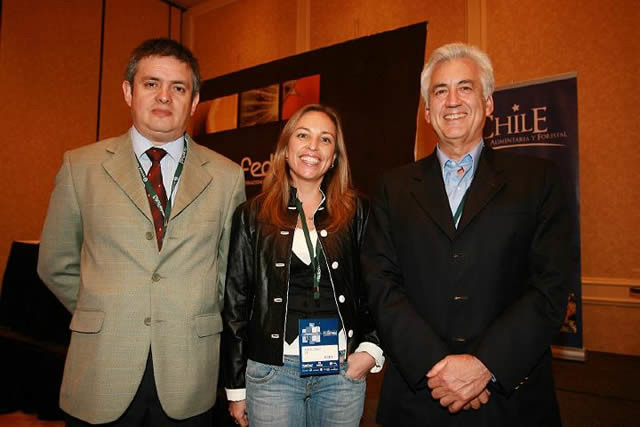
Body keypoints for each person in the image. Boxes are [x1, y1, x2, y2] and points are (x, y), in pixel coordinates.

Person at [37, 38, 246, 426]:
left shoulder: (227, 177)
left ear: (194, 102)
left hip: (189, 374)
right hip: (101, 370)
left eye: (178, 88)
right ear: (128, 91)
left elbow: (229, 272)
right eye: (151, 84)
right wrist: (104, 309)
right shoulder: (80, 167)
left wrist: (191, 308)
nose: (164, 96)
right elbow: (55, 263)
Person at [361, 43, 570, 426]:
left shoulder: (538, 181)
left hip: (511, 399)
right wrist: (437, 366)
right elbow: (380, 283)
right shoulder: (392, 188)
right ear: (428, 111)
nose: (453, 100)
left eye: (465, 88)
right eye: (440, 91)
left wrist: (485, 365)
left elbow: (551, 286)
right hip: (418, 397)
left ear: (488, 104)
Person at [222, 104, 384, 427]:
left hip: (341, 374)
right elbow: (235, 303)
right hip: (271, 375)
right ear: (285, 148)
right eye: (303, 135)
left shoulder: (358, 212)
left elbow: (380, 285)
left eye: (325, 139)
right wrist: (236, 388)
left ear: (334, 157)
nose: (313, 146)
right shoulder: (251, 215)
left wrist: (371, 350)